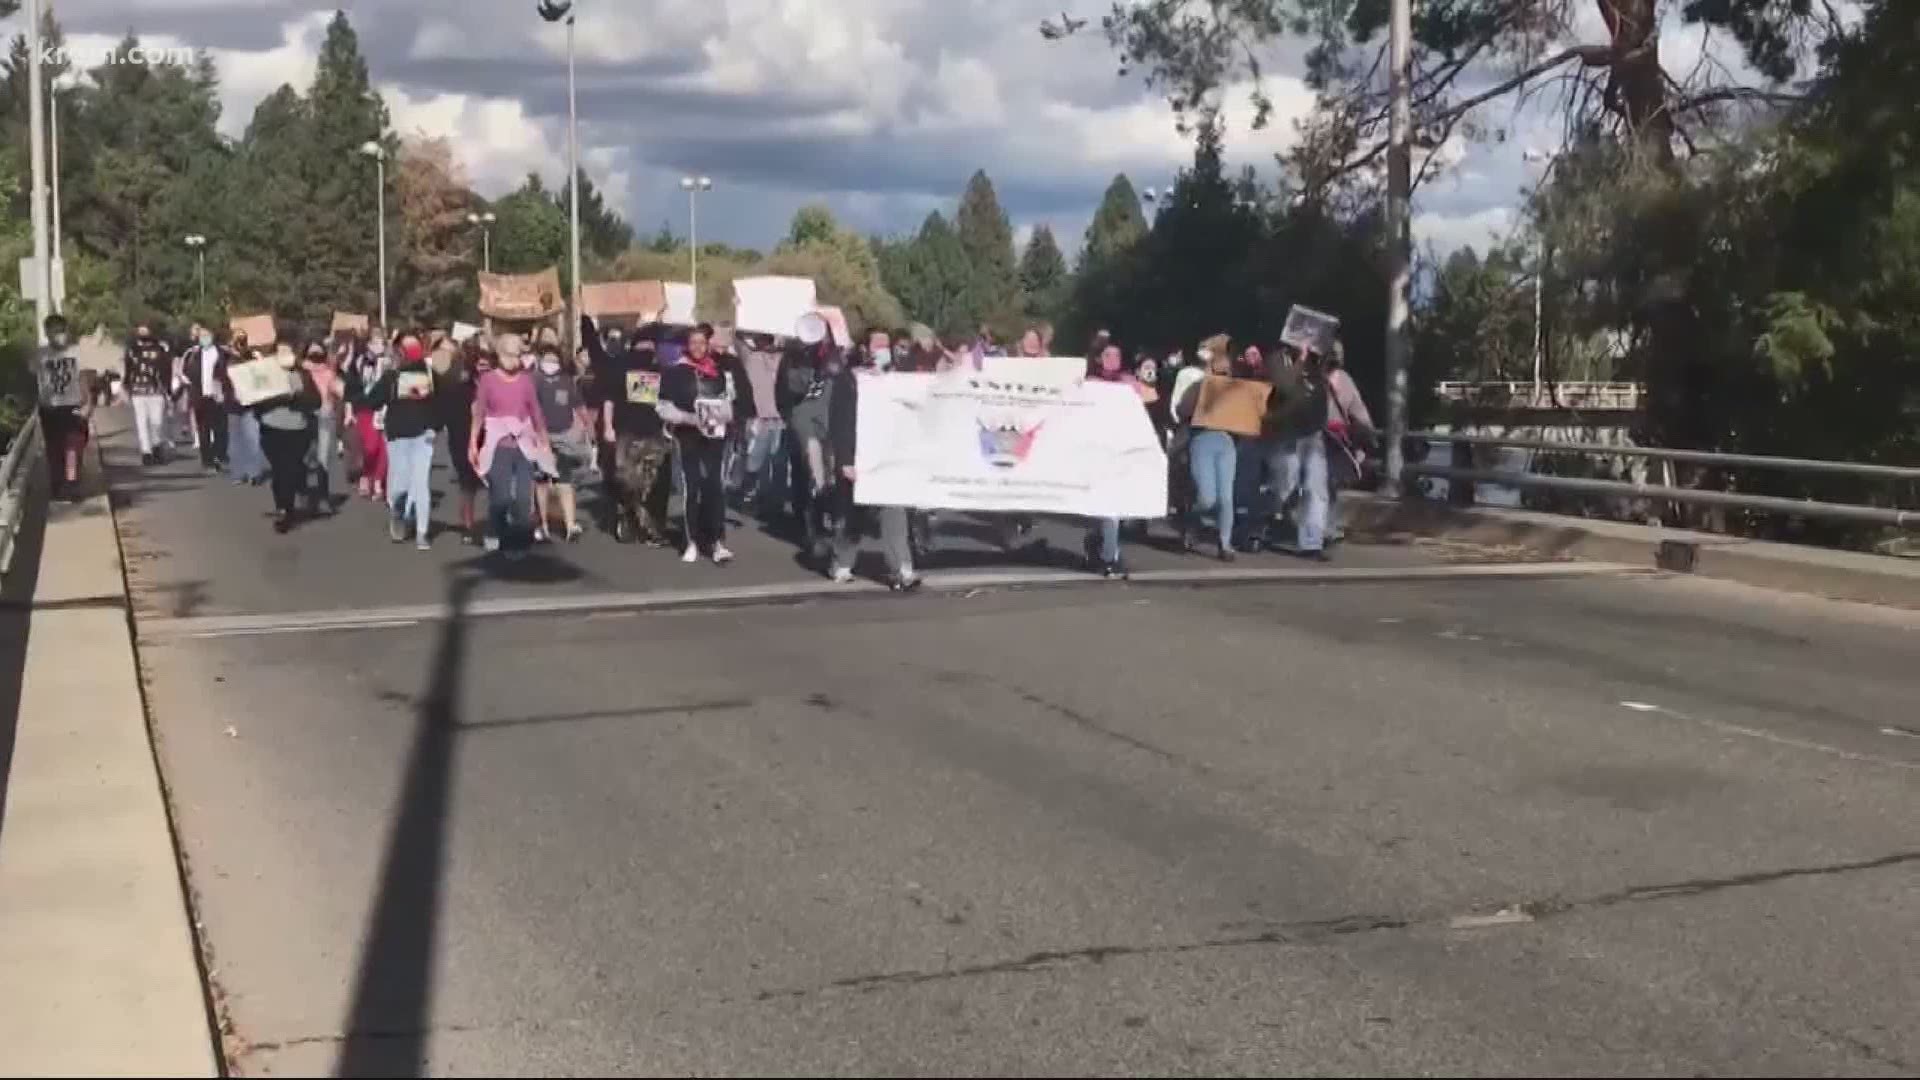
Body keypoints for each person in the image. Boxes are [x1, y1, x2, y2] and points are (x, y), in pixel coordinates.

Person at [825, 345, 920, 591]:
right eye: (876, 343)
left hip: (887, 457)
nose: (882, 349)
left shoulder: (896, 381)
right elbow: (840, 422)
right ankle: (842, 563)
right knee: (852, 514)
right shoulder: (848, 381)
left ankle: (902, 568)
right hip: (858, 456)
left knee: (894, 511)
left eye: (885, 344)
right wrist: (845, 459)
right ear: (864, 348)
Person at [586, 315, 674, 546]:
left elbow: (668, 401)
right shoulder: (621, 366)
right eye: (645, 344)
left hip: (654, 434)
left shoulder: (662, 370)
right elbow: (610, 399)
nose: (648, 349)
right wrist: (608, 427)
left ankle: (652, 529)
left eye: (652, 345)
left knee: (654, 484)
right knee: (627, 480)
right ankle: (627, 519)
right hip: (627, 432)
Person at [657, 323, 734, 564]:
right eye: (693, 343)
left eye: (702, 342)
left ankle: (717, 541)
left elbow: (729, 405)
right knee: (691, 487)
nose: (698, 347)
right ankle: (691, 541)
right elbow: (662, 407)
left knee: (715, 487)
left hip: (715, 436)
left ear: (708, 344)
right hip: (686, 436)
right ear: (686, 346)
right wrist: (689, 418)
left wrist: (720, 416)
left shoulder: (719, 373)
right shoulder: (673, 372)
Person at [469, 334, 551, 557]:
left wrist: (544, 440)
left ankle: (520, 541)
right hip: (498, 445)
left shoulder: (526, 380)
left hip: (523, 445)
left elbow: (536, 411)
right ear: (501, 354)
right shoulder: (488, 380)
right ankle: (495, 531)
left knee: (524, 498)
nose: (516, 359)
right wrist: (473, 444)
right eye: (512, 354)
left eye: (519, 355)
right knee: (501, 496)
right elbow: (479, 414)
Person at [1257, 343, 1332, 560]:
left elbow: (1320, 396)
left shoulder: (1317, 366)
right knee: (1285, 483)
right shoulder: (1277, 359)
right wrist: (1300, 360)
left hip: (1312, 434)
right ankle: (1268, 516)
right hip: (1286, 434)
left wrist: (1317, 363)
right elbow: (1285, 387)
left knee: (1315, 488)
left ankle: (1311, 543)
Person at [1081, 342, 1146, 578]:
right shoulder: (1089, 383)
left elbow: (1147, 403)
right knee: (1108, 507)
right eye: (1108, 355)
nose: (1113, 359)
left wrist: (1137, 389)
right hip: (1096, 450)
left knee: (1117, 509)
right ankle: (1110, 558)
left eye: (1117, 355)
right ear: (1099, 358)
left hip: (1122, 450)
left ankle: (1098, 542)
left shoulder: (1127, 381)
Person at [371, 332, 439, 549]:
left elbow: (440, 403)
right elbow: (373, 400)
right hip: (398, 436)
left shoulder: (430, 375)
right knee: (400, 485)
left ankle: (422, 532)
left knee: (421, 485)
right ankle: (398, 513)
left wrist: (434, 426)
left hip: (423, 436)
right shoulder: (391, 377)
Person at [1177, 337, 1239, 561]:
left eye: (1226, 367)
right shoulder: (1198, 385)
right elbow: (1181, 410)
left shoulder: (1235, 389)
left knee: (1226, 498)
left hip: (1226, 441)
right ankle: (1190, 523)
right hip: (1202, 439)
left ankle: (1225, 543)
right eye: (1218, 366)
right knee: (1207, 498)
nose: (1223, 370)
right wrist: (1202, 392)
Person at [254, 344, 321, 533]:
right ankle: (281, 504)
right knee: (278, 470)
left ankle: (287, 510)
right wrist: (276, 398)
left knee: (289, 469)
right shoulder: (266, 374)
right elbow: (254, 399)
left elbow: (316, 401)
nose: (285, 355)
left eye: (288, 351)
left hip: (296, 429)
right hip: (271, 428)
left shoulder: (303, 375)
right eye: (281, 352)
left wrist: (297, 398)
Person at [532, 339, 592, 542]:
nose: (551, 363)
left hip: (564, 436)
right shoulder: (533, 381)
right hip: (539, 437)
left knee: (564, 481)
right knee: (541, 483)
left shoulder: (566, 381)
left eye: (554, 360)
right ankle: (543, 524)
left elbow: (579, 404)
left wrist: (586, 426)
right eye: (547, 359)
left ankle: (570, 525)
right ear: (540, 361)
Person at [729, 331, 788, 519]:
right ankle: (748, 496)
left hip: (780, 421)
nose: (766, 342)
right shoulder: (751, 358)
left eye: (768, 338)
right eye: (762, 338)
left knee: (778, 462)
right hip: (758, 420)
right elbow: (735, 339)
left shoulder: (784, 359)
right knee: (754, 461)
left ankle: (775, 501)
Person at [31, 314, 91, 496]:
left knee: (73, 446)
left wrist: (88, 403)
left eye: (62, 331)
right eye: (54, 332)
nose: (59, 336)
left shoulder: (76, 352)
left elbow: (83, 378)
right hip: (50, 408)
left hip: (72, 405)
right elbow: (31, 380)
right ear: (47, 334)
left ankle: (72, 483)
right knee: (54, 449)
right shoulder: (40, 355)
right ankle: (57, 484)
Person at [433, 337, 483, 543]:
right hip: (459, 429)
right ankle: (468, 522)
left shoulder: (480, 375)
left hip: (483, 429)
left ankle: (475, 521)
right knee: (467, 478)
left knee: (477, 479)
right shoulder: (446, 374)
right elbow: (440, 401)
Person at [346, 329, 391, 502]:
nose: (380, 346)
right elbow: (350, 389)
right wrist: (349, 411)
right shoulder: (359, 362)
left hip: (385, 408)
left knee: (384, 448)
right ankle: (365, 475)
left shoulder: (390, 363)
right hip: (364, 408)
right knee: (371, 447)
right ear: (369, 344)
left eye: (382, 342)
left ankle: (379, 482)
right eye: (376, 342)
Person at [301, 343, 344, 516]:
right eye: (312, 352)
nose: (316, 355)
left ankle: (323, 497)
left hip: (325, 418)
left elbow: (341, 390)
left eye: (319, 352)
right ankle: (304, 494)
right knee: (304, 458)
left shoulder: (329, 373)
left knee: (323, 460)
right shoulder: (300, 372)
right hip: (304, 419)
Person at [124, 321, 173, 466]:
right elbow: (128, 370)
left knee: (156, 422)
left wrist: (168, 389)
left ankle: (156, 444)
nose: (143, 334)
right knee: (141, 421)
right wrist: (126, 387)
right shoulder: (132, 350)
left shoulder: (160, 348)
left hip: (156, 390)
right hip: (138, 390)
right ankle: (146, 451)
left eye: (146, 331)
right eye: (141, 331)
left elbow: (166, 369)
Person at [183, 323, 230, 471]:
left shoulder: (223, 353)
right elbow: (185, 372)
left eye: (207, 335)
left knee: (221, 429)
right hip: (200, 396)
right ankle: (207, 459)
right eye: (201, 336)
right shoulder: (193, 354)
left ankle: (219, 454)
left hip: (218, 396)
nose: (204, 338)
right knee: (204, 429)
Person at [225, 330, 268, 487]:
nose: (240, 341)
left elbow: (262, 375)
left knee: (253, 438)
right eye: (237, 338)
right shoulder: (225, 357)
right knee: (235, 440)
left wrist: (259, 360)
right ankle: (238, 473)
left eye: (243, 338)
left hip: (250, 403)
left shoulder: (252, 356)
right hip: (233, 404)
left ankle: (254, 473)